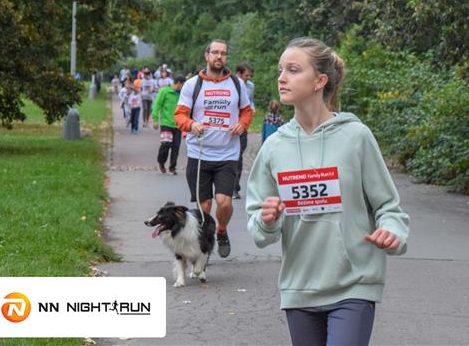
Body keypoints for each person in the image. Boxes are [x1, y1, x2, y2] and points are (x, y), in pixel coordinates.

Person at [245, 37, 410, 346]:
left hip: (354, 284)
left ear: (320, 81)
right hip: (299, 287)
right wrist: (267, 220)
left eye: (293, 70)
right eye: (280, 70)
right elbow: (258, 230)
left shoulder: (356, 137)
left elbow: (388, 206)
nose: (282, 78)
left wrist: (392, 232)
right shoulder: (273, 147)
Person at [174, 39, 254, 258]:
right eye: (215, 52)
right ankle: (203, 247)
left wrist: (242, 124)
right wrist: (192, 124)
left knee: (224, 203)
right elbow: (179, 115)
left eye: (223, 53)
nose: (219, 56)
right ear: (207, 55)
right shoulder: (193, 85)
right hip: (199, 153)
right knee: (205, 206)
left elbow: (247, 111)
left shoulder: (236, 84)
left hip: (227, 153)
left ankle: (222, 230)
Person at [152, 75, 186, 175]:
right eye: (183, 85)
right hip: (166, 123)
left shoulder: (182, 94)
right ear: (178, 83)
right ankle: (161, 163)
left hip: (178, 125)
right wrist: (155, 120)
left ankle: (172, 167)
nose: (184, 87)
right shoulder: (164, 91)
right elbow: (157, 105)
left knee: (176, 147)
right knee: (166, 145)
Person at [232, 62, 255, 199]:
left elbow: (250, 101)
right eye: (246, 75)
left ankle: (234, 187)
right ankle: (228, 186)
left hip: (242, 126)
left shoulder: (250, 86)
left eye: (249, 75)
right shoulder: (230, 84)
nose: (248, 78)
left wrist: (252, 108)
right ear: (238, 74)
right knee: (230, 157)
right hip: (230, 127)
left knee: (238, 156)